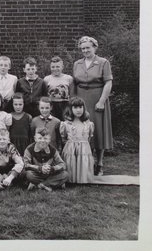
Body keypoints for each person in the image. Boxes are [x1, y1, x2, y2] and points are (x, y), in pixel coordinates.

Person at [73, 36, 113, 176]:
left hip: (97, 98)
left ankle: (100, 163)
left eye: (88, 47)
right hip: (81, 100)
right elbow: (75, 82)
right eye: (82, 48)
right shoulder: (77, 63)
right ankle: (86, 163)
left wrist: (102, 101)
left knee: (98, 130)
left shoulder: (103, 62)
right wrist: (74, 102)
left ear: (94, 47)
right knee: (82, 129)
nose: (85, 50)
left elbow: (108, 83)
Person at [60, 97, 95, 183]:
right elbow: (63, 137)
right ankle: (71, 178)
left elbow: (89, 138)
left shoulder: (88, 124)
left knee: (83, 160)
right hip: (71, 148)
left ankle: (83, 178)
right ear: (70, 109)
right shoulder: (66, 124)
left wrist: (83, 145)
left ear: (84, 108)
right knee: (71, 162)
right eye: (75, 108)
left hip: (84, 148)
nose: (78, 110)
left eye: (80, 107)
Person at [24, 127, 68, 192]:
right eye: (40, 138)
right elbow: (26, 165)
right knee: (28, 174)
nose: (42, 141)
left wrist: (52, 168)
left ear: (49, 139)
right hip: (36, 174)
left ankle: (40, 185)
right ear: (35, 139)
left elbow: (62, 164)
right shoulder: (29, 149)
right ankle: (52, 184)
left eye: (45, 138)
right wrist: (39, 168)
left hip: (49, 174)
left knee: (65, 175)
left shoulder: (53, 150)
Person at [43, 56, 73, 121]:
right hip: (52, 106)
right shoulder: (46, 79)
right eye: (53, 67)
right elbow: (45, 95)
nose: (55, 69)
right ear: (50, 67)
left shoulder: (68, 78)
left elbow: (72, 94)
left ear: (62, 67)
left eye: (57, 67)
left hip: (65, 105)